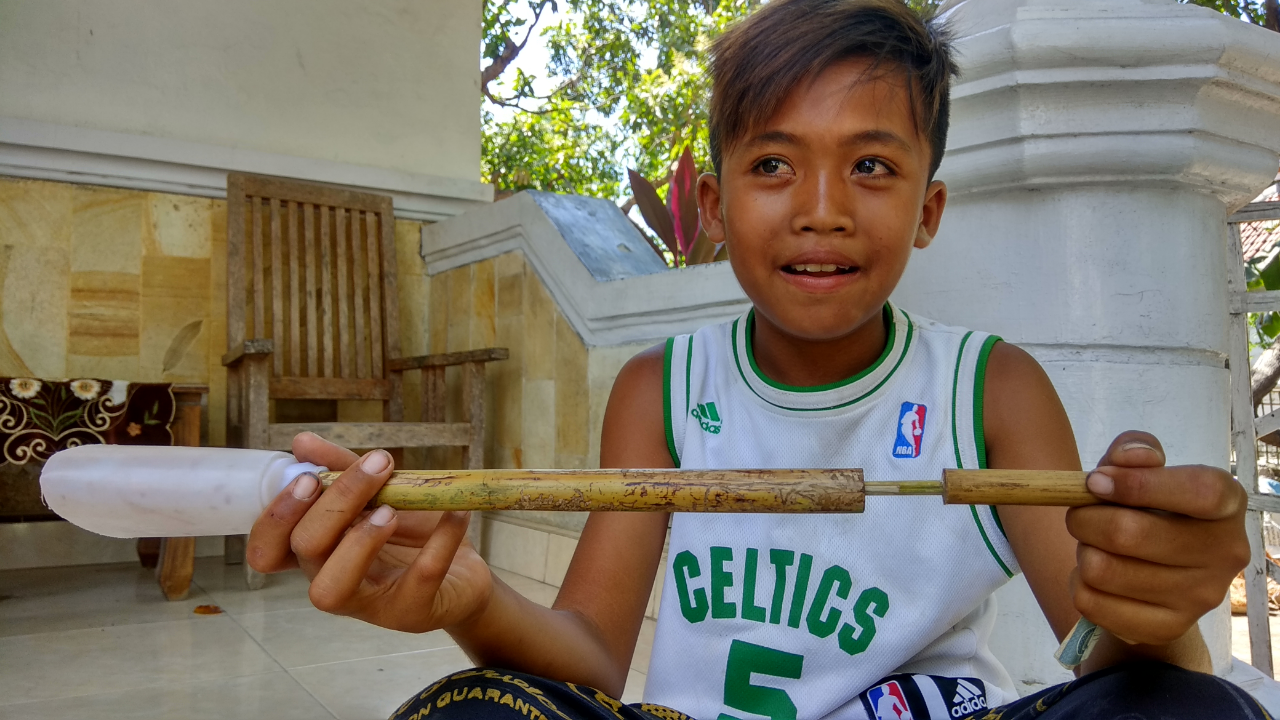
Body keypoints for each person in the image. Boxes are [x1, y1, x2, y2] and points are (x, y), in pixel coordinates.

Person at [246, 1, 1262, 718]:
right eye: (772, 164)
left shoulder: (988, 389)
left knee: (1190, 704)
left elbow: (1096, 661)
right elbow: (591, 662)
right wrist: (469, 601)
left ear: (926, 211)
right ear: (715, 208)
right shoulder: (661, 393)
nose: (820, 207)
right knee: (467, 712)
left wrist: (1158, 615)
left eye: (870, 165)